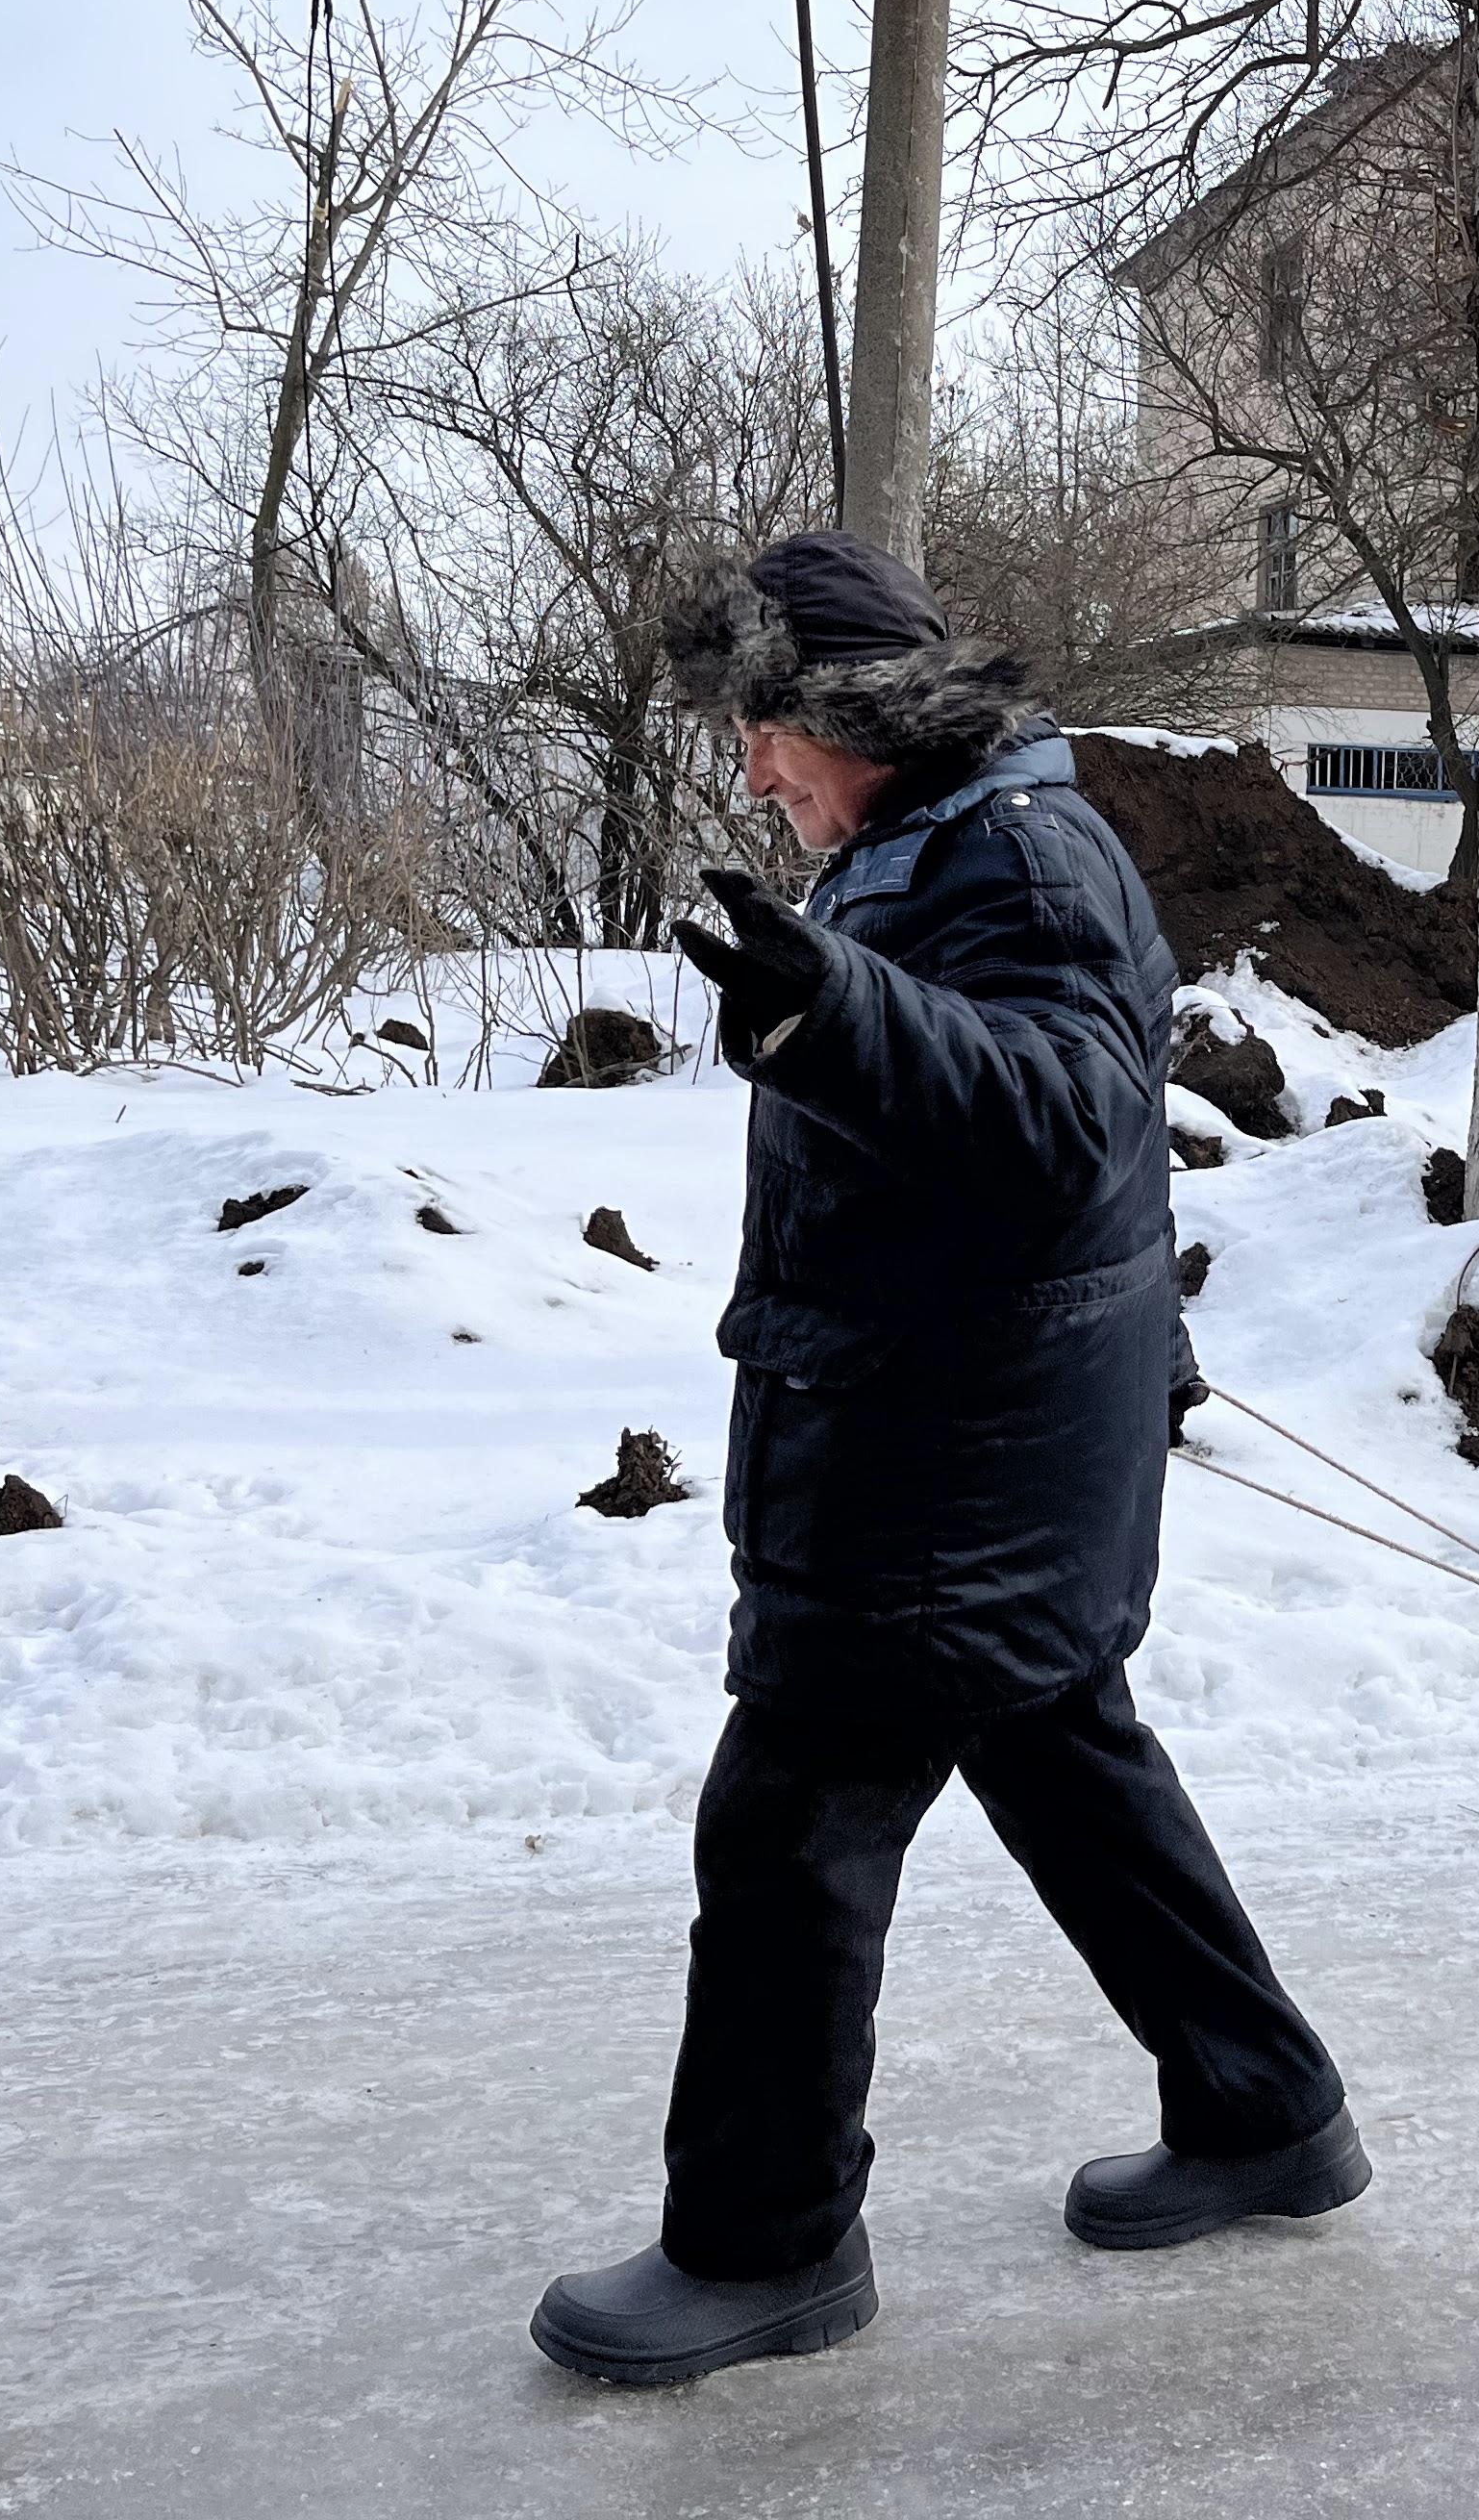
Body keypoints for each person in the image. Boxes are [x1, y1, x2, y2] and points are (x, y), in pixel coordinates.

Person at [530, 531, 1362, 2387]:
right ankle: (1264, 2106)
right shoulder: (946, 840)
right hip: (986, 1426)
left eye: (768, 731)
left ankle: (766, 2249)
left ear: (855, 713)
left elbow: (1067, 1114)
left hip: (942, 1466)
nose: (754, 771)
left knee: (791, 1830)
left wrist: (836, 1007)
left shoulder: (1016, 853)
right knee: (1068, 1764)